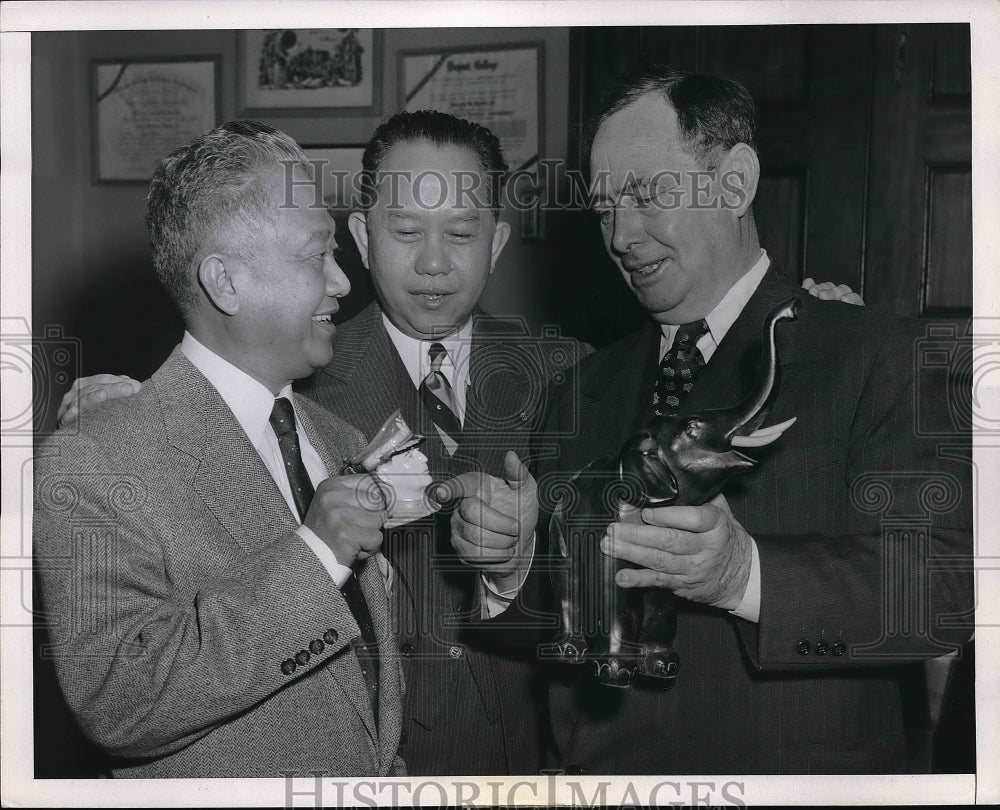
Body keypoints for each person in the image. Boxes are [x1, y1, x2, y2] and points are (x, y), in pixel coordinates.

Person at [55, 110, 864, 776]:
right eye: (405, 232)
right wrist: (121, 399)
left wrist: (798, 326)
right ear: (361, 243)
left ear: (500, 244)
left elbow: (707, 426)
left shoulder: (575, 375)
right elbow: (203, 404)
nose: (435, 264)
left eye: (463, 233)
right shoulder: (296, 387)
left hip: (536, 764)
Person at [451, 66, 974, 774]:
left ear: (735, 182)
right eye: (605, 207)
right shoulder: (580, 388)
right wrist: (513, 568)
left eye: (646, 194)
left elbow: (943, 594)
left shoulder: (876, 354)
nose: (622, 236)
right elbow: (564, 629)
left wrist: (744, 576)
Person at [34, 121, 403, 778]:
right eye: (316, 256)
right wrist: (317, 556)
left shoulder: (339, 439)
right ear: (225, 283)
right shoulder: (95, 459)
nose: (343, 284)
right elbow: (120, 699)